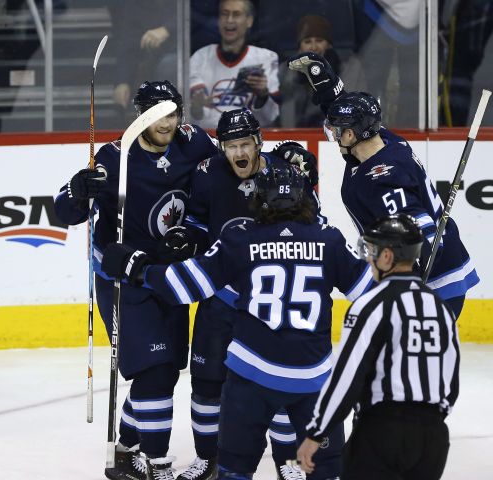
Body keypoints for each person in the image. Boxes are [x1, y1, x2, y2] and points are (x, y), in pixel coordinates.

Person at [102, 164, 373, 480]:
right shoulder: (329, 241)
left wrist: (136, 268)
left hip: (250, 382)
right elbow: (374, 293)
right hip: (312, 382)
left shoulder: (241, 239)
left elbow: (185, 286)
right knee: (326, 472)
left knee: (233, 471)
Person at [53, 80, 219, 480]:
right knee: (155, 373)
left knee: (163, 368)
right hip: (121, 281)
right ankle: (159, 463)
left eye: (173, 112)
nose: (166, 122)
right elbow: (63, 210)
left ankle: (127, 447)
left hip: (171, 277)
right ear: (140, 115)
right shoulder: (114, 157)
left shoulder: (193, 143)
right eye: (156, 113)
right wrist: (78, 190)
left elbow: (225, 169)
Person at [160, 108, 321, 480]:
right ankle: (207, 458)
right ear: (221, 148)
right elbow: (200, 221)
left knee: (279, 380)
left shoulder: (284, 173)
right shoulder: (208, 175)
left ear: (258, 142)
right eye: (230, 146)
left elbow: (312, 222)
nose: (238, 153)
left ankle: (288, 461)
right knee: (206, 383)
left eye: (244, 143)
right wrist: (189, 236)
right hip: (221, 298)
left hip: (269, 302)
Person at [288, 53, 479, 318]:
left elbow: (417, 229)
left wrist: (410, 279)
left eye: (335, 131)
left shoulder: (383, 180)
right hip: (437, 270)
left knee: (409, 357)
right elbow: (353, 113)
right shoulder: (387, 141)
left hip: (434, 285)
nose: (332, 135)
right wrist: (325, 82)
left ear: (352, 134)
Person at [297, 213, 460, 479]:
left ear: (387, 257)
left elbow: (347, 378)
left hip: (383, 432)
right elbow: (450, 383)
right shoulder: (440, 308)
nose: (369, 258)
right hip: (433, 439)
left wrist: (317, 432)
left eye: (373, 250)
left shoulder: (371, 304)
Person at [189, 0, 280, 129]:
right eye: (224, 14)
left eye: (236, 14)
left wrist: (262, 96)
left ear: (249, 21)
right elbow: (200, 119)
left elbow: (270, 118)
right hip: (209, 141)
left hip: (249, 141)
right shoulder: (200, 57)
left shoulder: (266, 58)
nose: (229, 20)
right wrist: (196, 108)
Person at [279, 15, 365, 128]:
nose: (314, 47)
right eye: (307, 41)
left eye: (319, 41)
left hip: (336, 134)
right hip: (294, 134)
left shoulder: (348, 66)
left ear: (329, 45)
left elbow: (354, 106)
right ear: (299, 47)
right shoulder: (286, 71)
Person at [109, 0, 177, 126]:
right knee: (125, 96)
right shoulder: (135, 5)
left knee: (168, 66)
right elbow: (128, 43)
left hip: (190, 57)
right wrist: (122, 82)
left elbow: (198, 15)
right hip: (150, 64)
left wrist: (168, 29)